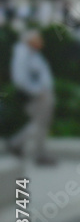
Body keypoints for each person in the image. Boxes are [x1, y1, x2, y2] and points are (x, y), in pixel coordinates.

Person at [7, 29, 57, 166]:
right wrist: (37, 92)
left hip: (42, 95)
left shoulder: (33, 54)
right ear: (30, 40)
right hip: (36, 97)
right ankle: (37, 153)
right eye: (38, 39)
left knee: (40, 124)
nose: (41, 41)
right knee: (39, 125)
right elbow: (20, 79)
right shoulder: (22, 55)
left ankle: (17, 144)